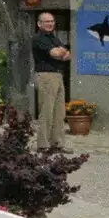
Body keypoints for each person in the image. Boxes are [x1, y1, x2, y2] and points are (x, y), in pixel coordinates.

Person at [32, 12, 72, 149]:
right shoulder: (38, 38)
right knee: (47, 111)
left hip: (58, 75)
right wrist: (60, 52)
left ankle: (57, 143)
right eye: (47, 21)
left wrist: (61, 52)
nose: (50, 24)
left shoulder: (54, 38)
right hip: (46, 76)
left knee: (59, 113)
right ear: (39, 24)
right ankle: (43, 144)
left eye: (52, 21)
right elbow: (56, 53)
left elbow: (68, 54)